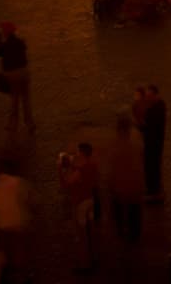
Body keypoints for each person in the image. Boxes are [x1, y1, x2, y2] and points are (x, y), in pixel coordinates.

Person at [56, 142, 99, 273]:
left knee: (82, 234)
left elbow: (66, 185)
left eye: (78, 152)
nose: (76, 154)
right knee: (91, 230)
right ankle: (94, 256)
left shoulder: (80, 171)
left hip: (80, 203)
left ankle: (84, 263)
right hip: (91, 200)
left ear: (82, 153)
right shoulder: (93, 165)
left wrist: (60, 170)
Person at [104, 113, 144, 245]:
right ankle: (134, 235)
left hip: (119, 185)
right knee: (134, 212)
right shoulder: (136, 138)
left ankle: (121, 232)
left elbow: (110, 164)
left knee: (119, 212)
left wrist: (110, 182)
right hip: (133, 184)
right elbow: (140, 158)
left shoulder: (114, 142)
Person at [0, 21, 32, 130]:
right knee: (26, 100)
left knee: (14, 101)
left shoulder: (4, 45)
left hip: (13, 75)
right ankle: (29, 123)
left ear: (6, 33)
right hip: (24, 72)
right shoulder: (20, 42)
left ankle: (13, 124)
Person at [133, 84, 166, 202]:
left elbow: (148, 127)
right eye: (146, 96)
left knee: (152, 167)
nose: (147, 98)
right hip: (153, 142)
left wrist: (140, 124)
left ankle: (153, 191)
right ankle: (153, 189)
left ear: (155, 95)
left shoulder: (155, 109)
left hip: (153, 144)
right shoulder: (159, 105)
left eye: (149, 96)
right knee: (152, 167)